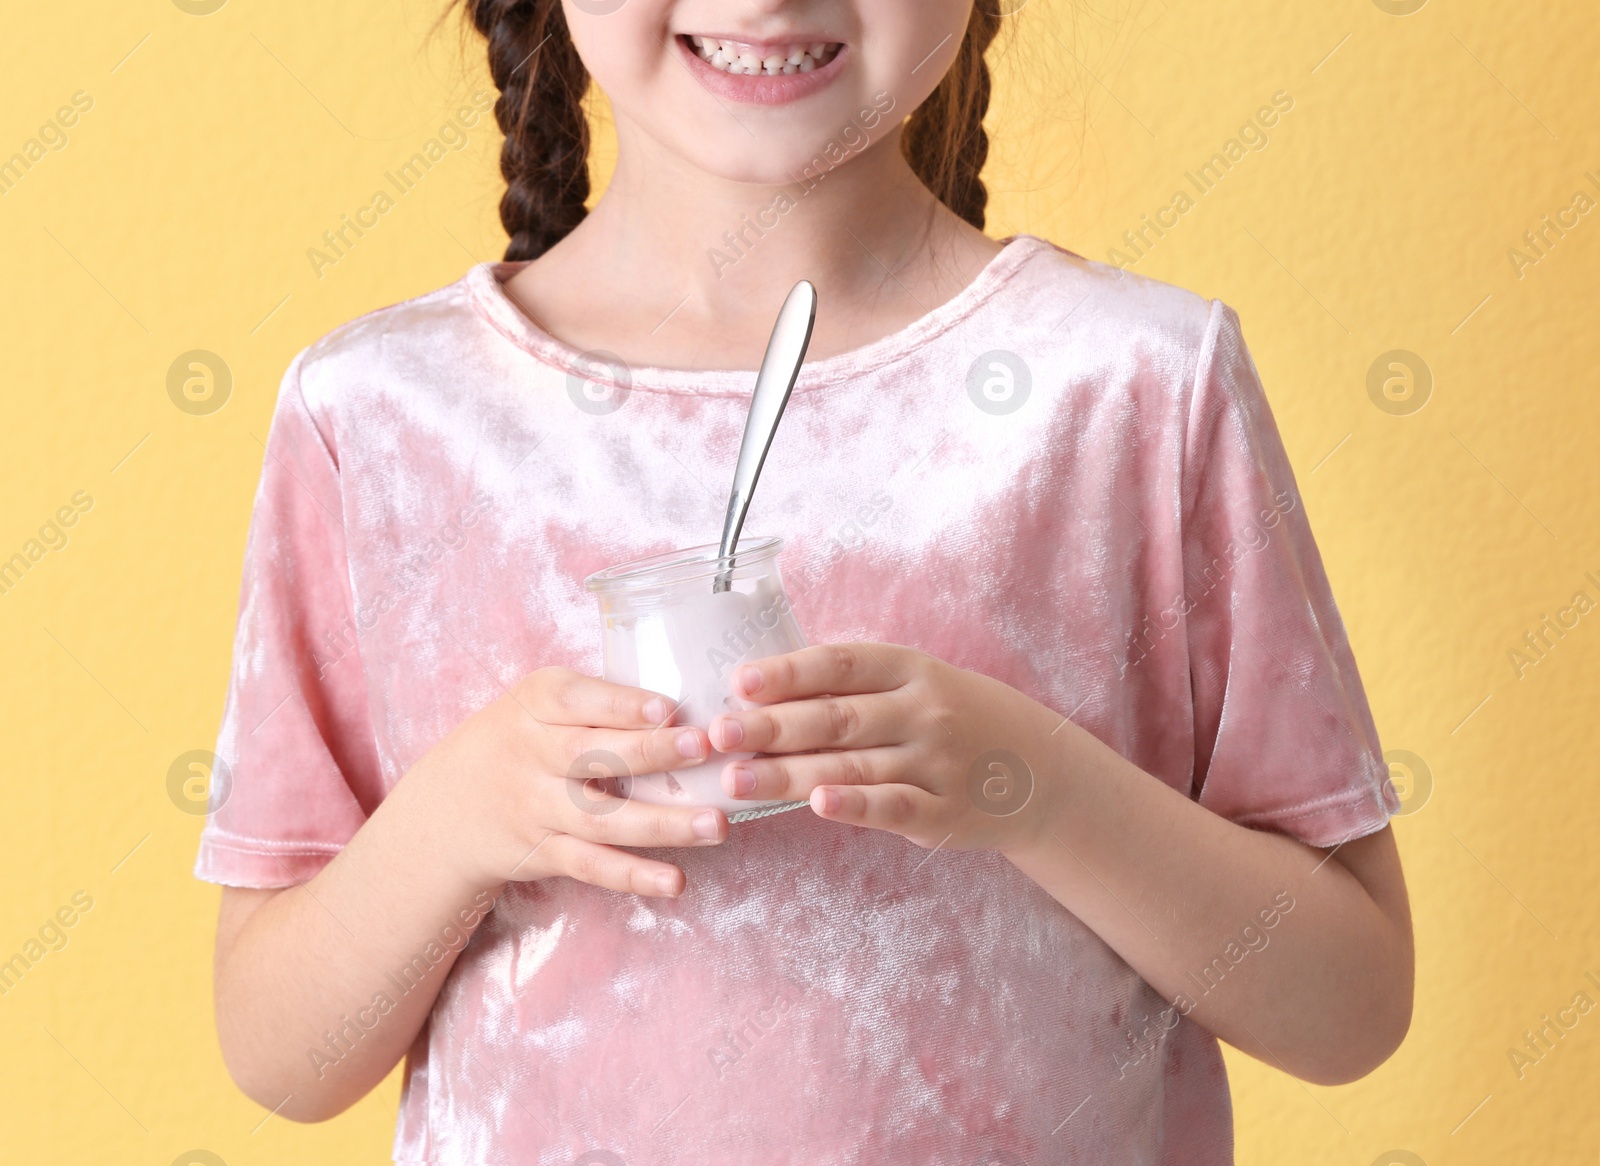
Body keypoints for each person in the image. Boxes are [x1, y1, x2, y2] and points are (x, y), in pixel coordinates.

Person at [198, 2, 1414, 1162]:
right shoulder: (382, 417)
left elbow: (1348, 1004)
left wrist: (1031, 785)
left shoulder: (1135, 388)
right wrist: (458, 817)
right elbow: (281, 1054)